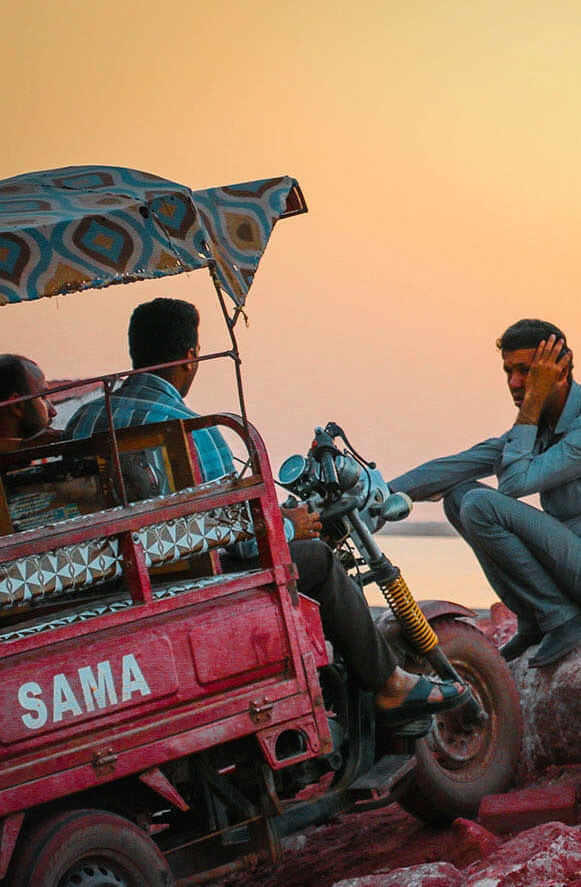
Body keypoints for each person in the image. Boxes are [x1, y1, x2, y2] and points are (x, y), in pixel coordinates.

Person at [66, 297, 462, 733]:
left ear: (135, 351)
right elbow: (239, 541)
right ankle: (391, 685)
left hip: (112, 578)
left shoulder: (84, 420)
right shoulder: (193, 429)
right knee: (318, 559)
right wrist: (289, 524)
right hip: (184, 581)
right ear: (190, 356)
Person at [392, 319, 581, 668]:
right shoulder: (544, 426)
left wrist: (530, 406)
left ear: (560, 371)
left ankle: (561, 618)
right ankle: (534, 621)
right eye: (509, 372)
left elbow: (514, 485)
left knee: (480, 505)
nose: (515, 383)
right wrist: (379, 493)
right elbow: (465, 463)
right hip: (572, 573)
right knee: (458, 497)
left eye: (528, 372)